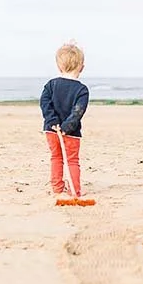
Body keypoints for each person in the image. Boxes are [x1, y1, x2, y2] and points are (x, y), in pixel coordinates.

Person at [40, 42, 90, 199]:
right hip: (71, 132)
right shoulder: (81, 89)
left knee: (56, 157)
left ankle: (57, 188)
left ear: (58, 66)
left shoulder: (51, 85)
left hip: (52, 130)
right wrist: (67, 126)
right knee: (72, 160)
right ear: (82, 67)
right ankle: (74, 189)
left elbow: (45, 104)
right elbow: (78, 112)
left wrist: (53, 121)